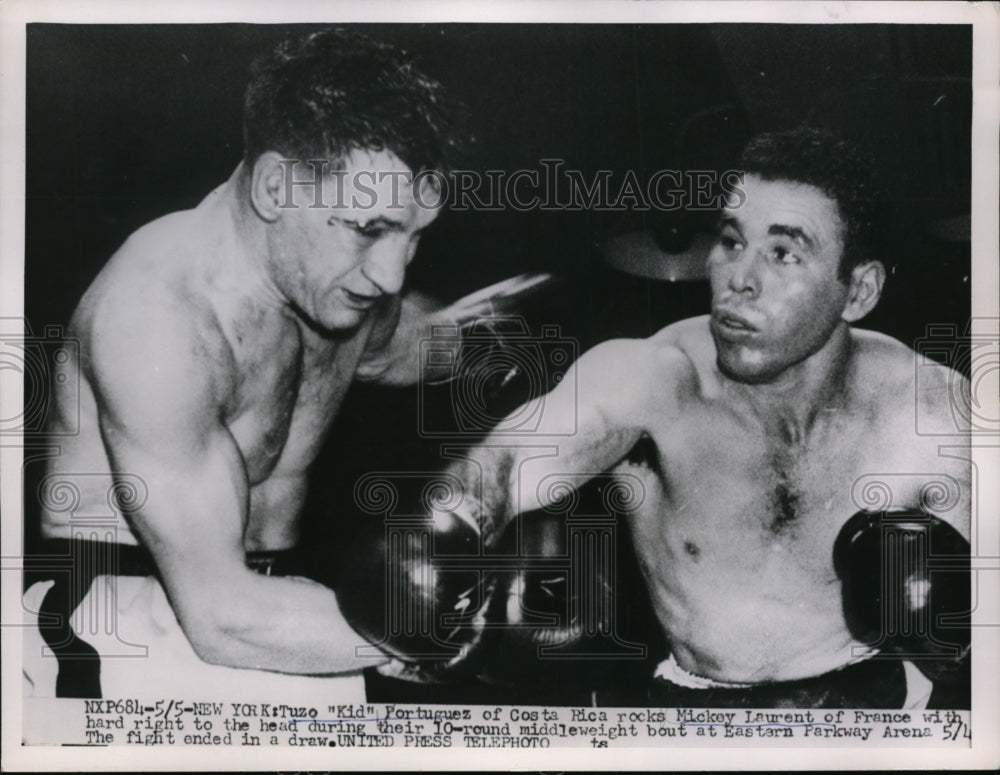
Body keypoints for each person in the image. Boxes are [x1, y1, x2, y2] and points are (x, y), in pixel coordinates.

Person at [22, 28, 542, 701]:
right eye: (369, 228)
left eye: (413, 237)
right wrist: (445, 631)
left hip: (288, 610)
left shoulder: (334, 287)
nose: (389, 274)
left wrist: (550, 331)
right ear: (275, 186)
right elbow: (219, 617)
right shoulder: (155, 315)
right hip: (129, 619)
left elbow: (421, 346)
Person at [435, 127, 972, 709]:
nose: (740, 277)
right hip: (699, 720)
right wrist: (443, 548)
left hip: (873, 714)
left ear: (858, 291)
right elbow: (496, 470)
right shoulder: (654, 382)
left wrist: (959, 637)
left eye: (784, 253)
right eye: (732, 241)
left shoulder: (928, 412)